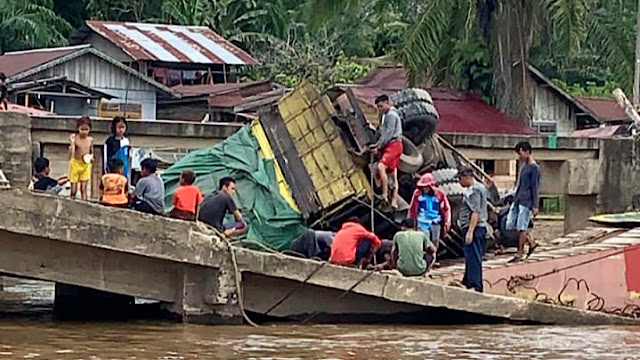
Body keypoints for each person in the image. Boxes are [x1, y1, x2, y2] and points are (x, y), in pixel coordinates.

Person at [507, 141, 541, 263]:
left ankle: (520, 253)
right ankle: (531, 242)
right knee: (512, 225)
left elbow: (535, 187)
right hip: (518, 199)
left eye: (520, 153)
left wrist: (535, 205)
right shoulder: (524, 166)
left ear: (527, 152)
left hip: (526, 201)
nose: (519, 156)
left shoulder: (534, 168)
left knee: (522, 227)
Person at [457, 167, 488, 293]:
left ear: (467, 177)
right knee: (470, 256)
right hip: (476, 227)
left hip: (475, 228)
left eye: (460, 179)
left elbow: (475, 211)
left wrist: (470, 231)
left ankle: (476, 285)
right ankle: (468, 280)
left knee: (474, 257)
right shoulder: (479, 187)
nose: (459, 182)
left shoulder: (474, 190)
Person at [372, 94, 403, 209]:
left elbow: (388, 134)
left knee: (381, 167)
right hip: (396, 145)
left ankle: (384, 195)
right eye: (378, 107)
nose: (380, 109)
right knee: (393, 174)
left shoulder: (390, 115)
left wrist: (378, 147)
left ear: (387, 103)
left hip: (393, 145)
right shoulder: (390, 115)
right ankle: (394, 201)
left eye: (381, 106)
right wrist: (377, 144)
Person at [408, 173, 451, 250]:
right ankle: (426, 258)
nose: (425, 189)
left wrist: (447, 221)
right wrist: (410, 220)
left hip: (435, 220)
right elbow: (412, 208)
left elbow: (446, 208)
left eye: (426, 186)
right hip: (422, 221)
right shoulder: (417, 194)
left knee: (435, 240)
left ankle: (434, 258)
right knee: (424, 240)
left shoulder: (440, 194)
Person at [68, 116, 94, 200]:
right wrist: (72, 143)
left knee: (84, 189)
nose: (84, 132)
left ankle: (84, 204)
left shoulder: (90, 140)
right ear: (78, 129)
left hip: (86, 165)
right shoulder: (75, 139)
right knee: (73, 190)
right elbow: (71, 154)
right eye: (82, 129)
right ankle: (72, 202)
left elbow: (91, 152)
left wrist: (91, 157)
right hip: (76, 163)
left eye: (86, 129)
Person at [104, 116, 131, 181]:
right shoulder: (109, 141)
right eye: (119, 127)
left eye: (123, 127)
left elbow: (128, 156)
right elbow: (106, 156)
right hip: (113, 169)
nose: (121, 130)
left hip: (124, 168)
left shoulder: (126, 141)